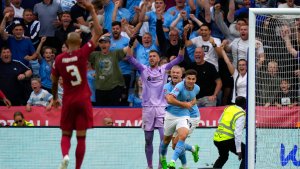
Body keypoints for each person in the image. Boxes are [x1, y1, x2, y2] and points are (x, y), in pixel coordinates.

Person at [51, 1, 102, 169]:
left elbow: (53, 81)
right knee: (81, 137)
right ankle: (77, 168)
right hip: (83, 99)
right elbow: (98, 33)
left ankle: (65, 155)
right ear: (79, 42)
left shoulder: (59, 59)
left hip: (68, 100)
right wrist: (91, 10)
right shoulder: (82, 53)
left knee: (66, 134)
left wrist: (54, 98)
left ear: (66, 42)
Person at [126, 35, 185, 169]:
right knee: (148, 140)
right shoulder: (143, 69)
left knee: (164, 139)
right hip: (147, 108)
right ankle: (149, 166)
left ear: (158, 59)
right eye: (150, 56)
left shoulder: (164, 69)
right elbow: (129, 58)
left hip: (162, 108)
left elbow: (180, 58)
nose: (151, 58)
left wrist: (181, 47)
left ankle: (160, 166)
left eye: (154, 56)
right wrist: (130, 44)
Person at [160, 69, 200, 169]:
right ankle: (193, 149)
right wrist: (185, 104)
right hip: (172, 115)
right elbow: (169, 100)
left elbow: (194, 98)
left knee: (179, 141)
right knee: (174, 145)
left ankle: (182, 165)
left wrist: (189, 104)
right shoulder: (168, 87)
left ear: (182, 76)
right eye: (173, 72)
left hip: (192, 116)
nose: (175, 74)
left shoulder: (193, 87)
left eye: (177, 73)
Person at [213, 96, 246, 169]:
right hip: (227, 140)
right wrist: (238, 150)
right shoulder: (241, 114)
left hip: (217, 139)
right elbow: (238, 133)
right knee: (247, 154)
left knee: (223, 157)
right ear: (244, 104)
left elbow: (219, 121)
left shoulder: (228, 108)